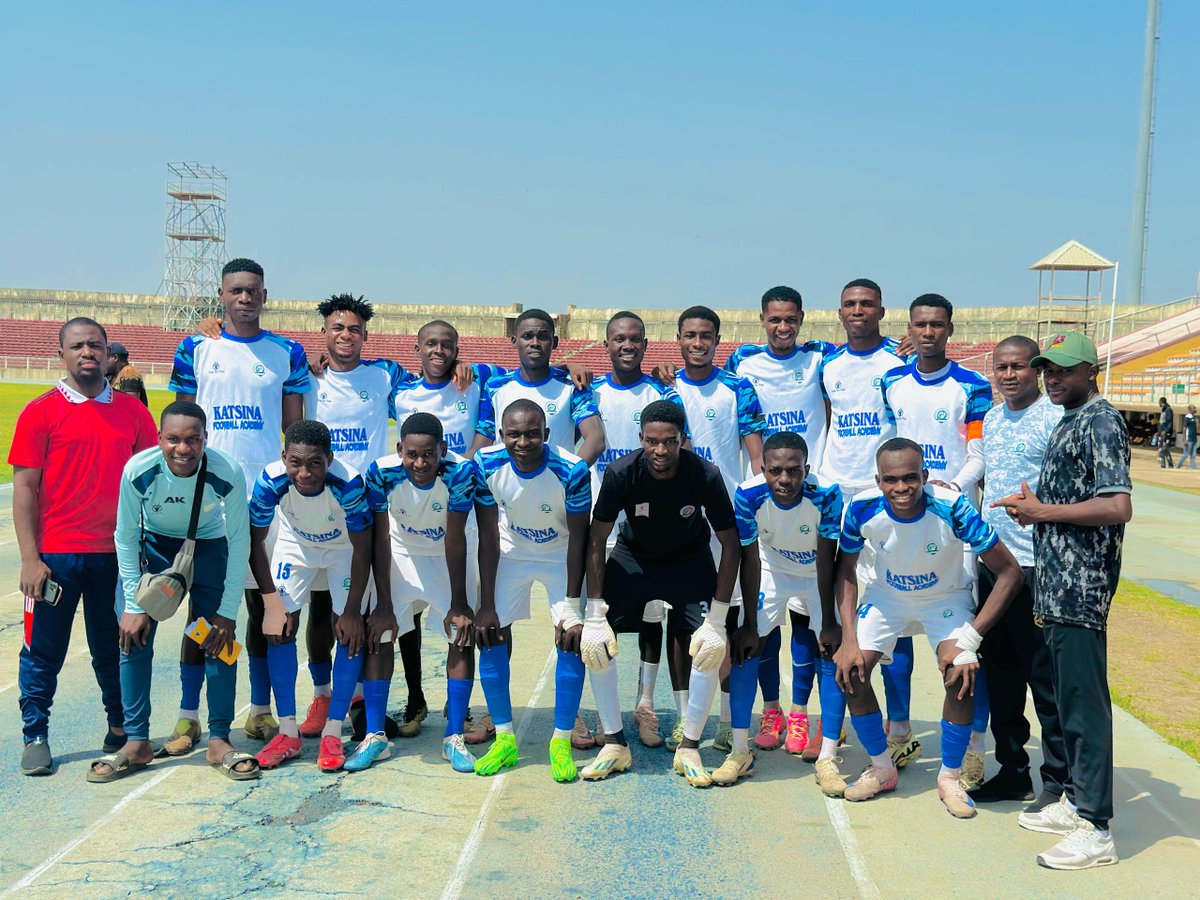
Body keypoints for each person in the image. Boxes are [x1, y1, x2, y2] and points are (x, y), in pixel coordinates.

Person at [993, 331, 1131, 870]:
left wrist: (1042, 512)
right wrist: (1038, 506)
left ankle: (1096, 829)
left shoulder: (1101, 419)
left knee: (1083, 705)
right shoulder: (1070, 418)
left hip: (1081, 586)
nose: (1053, 378)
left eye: (1064, 370)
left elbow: (1116, 506)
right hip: (1057, 584)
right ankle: (1076, 802)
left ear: (1090, 371)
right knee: (1069, 702)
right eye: (1048, 369)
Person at [833, 438, 1024, 818]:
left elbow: (1010, 573)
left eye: (909, 478)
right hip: (887, 596)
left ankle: (949, 777)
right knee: (850, 671)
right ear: (878, 479)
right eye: (890, 480)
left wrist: (969, 641)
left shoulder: (953, 507)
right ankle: (882, 767)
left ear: (925, 476)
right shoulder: (860, 506)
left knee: (961, 671)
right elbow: (845, 570)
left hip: (945, 599)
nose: (901, 488)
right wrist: (849, 638)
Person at [170, 258, 310, 749]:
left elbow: (293, 432)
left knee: (259, 603)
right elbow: (180, 419)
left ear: (265, 295)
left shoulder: (287, 352)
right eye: (236, 291)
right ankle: (189, 714)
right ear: (223, 295)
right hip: (205, 497)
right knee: (202, 607)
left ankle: (259, 710)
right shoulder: (195, 347)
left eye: (253, 291)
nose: (245, 298)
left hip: (263, 497)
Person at [10, 317, 158, 776]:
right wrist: (30, 558)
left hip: (115, 556)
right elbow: (25, 491)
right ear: (62, 355)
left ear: (107, 353)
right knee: (42, 650)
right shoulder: (39, 412)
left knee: (113, 647)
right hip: (55, 558)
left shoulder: (133, 413)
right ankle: (36, 733)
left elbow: (151, 486)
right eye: (78, 346)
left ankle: (120, 727)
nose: (88, 352)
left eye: (95, 344)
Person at [91, 401, 257, 782]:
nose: (183, 449)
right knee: (132, 637)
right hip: (157, 550)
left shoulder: (226, 471)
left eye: (192, 440)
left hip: (209, 548)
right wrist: (134, 604)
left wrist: (228, 611)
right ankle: (136, 741)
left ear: (205, 440)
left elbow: (240, 541)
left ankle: (218, 740)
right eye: (173, 440)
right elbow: (126, 536)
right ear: (159, 439)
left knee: (218, 641)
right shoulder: (139, 470)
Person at [581, 400, 741, 787]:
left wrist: (718, 618)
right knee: (595, 644)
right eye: (652, 441)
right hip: (634, 559)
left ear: (683, 440)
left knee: (711, 646)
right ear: (641, 439)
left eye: (670, 441)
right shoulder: (621, 474)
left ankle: (689, 746)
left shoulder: (704, 474)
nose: (661, 450)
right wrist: (595, 611)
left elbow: (731, 543)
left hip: (688, 562)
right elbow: (596, 539)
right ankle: (616, 744)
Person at [879, 293, 993, 785]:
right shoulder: (892, 382)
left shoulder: (972, 385)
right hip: (903, 517)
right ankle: (900, 731)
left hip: (952, 518)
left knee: (964, 645)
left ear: (950, 330)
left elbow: (979, 451)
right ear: (911, 326)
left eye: (938, 325)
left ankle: (974, 746)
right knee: (896, 625)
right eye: (921, 325)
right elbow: (886, 446)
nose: (928, 332)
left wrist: (951, 488)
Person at [723, 287, 835, 754]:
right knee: (760, 629)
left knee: (811, 628)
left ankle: (801, 715)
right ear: (762, 320)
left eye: (791, 320)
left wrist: (902, 346)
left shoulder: (821, 358)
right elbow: (703, 380)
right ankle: (770, 711)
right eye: (775, 320)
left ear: (803, 320)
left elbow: (871, 350)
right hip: (767, 490)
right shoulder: (743, 361)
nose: (783, 327)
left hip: (811, 487)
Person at [956, 337, 1067, 808]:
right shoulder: (994, 419)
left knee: (1045, 680)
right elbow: (983, 473)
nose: (1008, 375)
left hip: (1040, 567)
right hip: (997, 567)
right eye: (1000, 367)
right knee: (1000, 677)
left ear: (1035, 370)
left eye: (1018, 366)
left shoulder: (1057, 419)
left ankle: (1059, 780)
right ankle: (1013, 770)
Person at [807, 278, 908, 777]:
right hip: (835, 493)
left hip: (883, 496)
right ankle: (832, 727)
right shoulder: (828, 364)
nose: (857, 311)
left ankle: (900, 727)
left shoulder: (899, 362)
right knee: (833, 610)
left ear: (881, 310)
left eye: (866, 304)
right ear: (839, 311)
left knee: (894, 610)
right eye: (849, 304)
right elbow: (828, 418)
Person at [247, 420, 388, 772]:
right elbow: (255, 541)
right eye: (295, 462)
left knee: (349, 632)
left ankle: (333, 730)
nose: (305, 473)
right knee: (278, 627)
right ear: (283, 457)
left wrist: (353, 611)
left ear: (330, 458)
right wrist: (270, 601)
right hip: (296, 545)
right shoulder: (270, 481)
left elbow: (363, 547)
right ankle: (288, 732)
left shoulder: (350, 484)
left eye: (315, 463)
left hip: (343, 549)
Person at [471, 400, 591, 781]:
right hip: (513, 551)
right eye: (514, 434)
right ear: (501, 434)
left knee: (572, 636)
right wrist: (486, 603)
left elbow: (579, 541)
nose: (523, 442)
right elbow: (488, 535)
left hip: (561, 553)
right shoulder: (485, 464)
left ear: (547, 434)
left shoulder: (572, 469)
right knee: (489, 633)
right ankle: (505, 738)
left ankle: (560, 738)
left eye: (532, 433)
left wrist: (572, 606)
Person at [669, 305, 766, 751]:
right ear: (679, 339)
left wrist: (760, 500)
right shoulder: (667, 391)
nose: (697, 343)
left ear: (717, 339)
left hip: (728, 522)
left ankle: (730, 721)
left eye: (706, 335)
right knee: (685, 621)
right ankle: (685, 716)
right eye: (689, 335)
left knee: (729, 620)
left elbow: (757, 453)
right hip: (684, 523)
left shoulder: (737, 388)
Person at [590, 310, 689, 748]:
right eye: (618, 339)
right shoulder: (588, 391)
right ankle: (594, 712)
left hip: (653, 516)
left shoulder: (663, 390)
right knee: (595, 616)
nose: (626, 346)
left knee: (654, 610)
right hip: (604, 512)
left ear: (646, 344)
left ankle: (645, 702)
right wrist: (566, 367)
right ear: (606, 344)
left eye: (635, 339)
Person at [365, 413, 479, 772]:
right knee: (381, 632)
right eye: (412, 454)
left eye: (429, 454)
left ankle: (453, 736)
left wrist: (459, 602)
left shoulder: (460, 473)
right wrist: (384, 602)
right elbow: (380, 538)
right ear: (399, 450)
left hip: (449, 553)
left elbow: (455, 536)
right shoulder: (381, 472)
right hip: (401, 552)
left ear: (442, 451)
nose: (420, 462)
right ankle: (375, 737)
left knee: (460, 635)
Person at [729, 432, 842, 786]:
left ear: (806, 469)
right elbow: (748, 558)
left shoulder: (827, 494)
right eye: (775, 470)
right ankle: (738, 750)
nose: (785, 480)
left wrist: (828, 621)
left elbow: (827, 560)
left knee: (832, 651)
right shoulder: (748, 495)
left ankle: (828, 753)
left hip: (815, 574)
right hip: (772, 571)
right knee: (747, 648)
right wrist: (749, 621)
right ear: (763, 468)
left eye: (794, 471)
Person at [1156, 396, 1175, 468]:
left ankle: (1163, 465)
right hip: (1162, 433)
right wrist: (1159, 431)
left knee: (1162, 449)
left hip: (1166, 433)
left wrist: (1165, 431)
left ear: (1161, 402)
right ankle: (1170, 464)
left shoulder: (1168, 410)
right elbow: (1162, 423)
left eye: (1159, 402)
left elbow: (1169, 422)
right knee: (1165, 450)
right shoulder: (1163, 410)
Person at [1180, 404, 1198, 470]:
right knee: (1186, 454)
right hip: (1189, 439)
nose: (1195, 409)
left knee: (1193, 455)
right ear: (1190, 409)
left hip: (1194, 439)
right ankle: (1178, 466)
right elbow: (1184, 428)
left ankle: (1194, 469)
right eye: (1194, 408)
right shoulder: (1187, 417)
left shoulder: (1194, 417)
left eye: (1195, 408)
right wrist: (1184, 439)